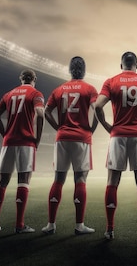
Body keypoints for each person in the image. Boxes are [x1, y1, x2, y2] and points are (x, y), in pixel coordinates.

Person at [94, 51, 137, 240]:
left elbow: (97, 106)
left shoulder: (111, 81)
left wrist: (108, 126)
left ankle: (109, 230)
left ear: (121, 65)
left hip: (117, 136)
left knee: (112, 182)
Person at [41, 56, 99, 235]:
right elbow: (98, 109)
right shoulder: (89, 88)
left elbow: (46, 111)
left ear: (69, 70)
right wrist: (91, 129)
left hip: (62, 137)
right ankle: (79, 225)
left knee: (58, 179)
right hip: (81, 137)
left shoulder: (59, 90)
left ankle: (51, 225)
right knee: (80, 180)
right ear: (84, 70)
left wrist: (58, 126)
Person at [0, 69, 45, 234]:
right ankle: (19, 225)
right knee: (23, 181)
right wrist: (37, 140)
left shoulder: (8, 94)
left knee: (2, 182)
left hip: (9, 142)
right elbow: (41, 114)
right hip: (26, 142)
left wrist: (5, 134)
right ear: (34, 79)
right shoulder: (35, 93)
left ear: (21, 79)